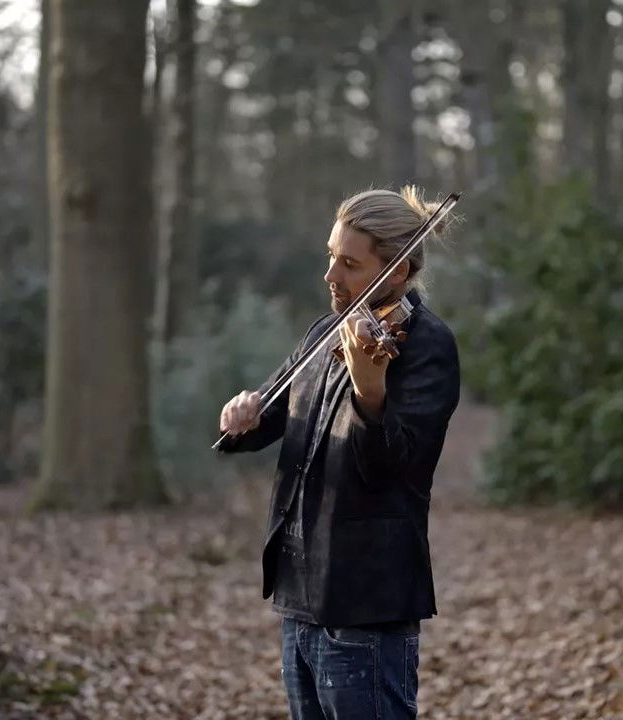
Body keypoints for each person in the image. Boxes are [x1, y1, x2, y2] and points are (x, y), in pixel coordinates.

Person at [216, 186, 461, 719]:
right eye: (331, 256)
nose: (331, 276)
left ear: (396, 272)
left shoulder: (427, 346)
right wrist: (240, 417)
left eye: (349, 264)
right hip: (299, 597)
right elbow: (270, 418)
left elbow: (397, 467)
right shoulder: (323, 335)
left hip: (366, 605)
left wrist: (370, 392)